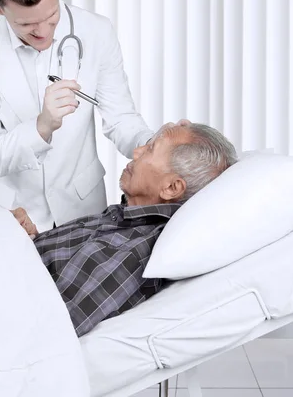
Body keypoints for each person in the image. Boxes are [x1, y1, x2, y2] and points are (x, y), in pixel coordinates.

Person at [0, 0, 156, 231]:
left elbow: (120, 118)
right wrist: (42, 126)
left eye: (51, 16)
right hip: (10, 213)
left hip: (81, 208)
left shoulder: (96, 31)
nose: (44, 32)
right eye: (27, 25)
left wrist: (154, 146)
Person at [12, 123, 238, 337]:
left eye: (150, 149)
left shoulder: (127, 253)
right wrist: (26, 238)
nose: (137, 151)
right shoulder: (122, 220)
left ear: (171, 187)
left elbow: (37, 328)